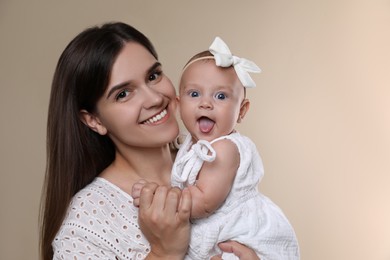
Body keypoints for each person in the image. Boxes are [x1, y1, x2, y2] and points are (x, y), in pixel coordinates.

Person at [39, 22, 258, 260]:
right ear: (93, 120)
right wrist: (164, 252)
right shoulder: (86, 222)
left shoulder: (209, 157)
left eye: (153, 76)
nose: (155, 98)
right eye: (123, 93)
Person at [135, 37, 300, 260]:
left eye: (221, 96)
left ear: (241, 111)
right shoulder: (190, 145)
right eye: (194, 94)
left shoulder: (225, 149)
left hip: (241, 234)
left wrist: (157, 196)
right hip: (221, 233)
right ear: (179, 103)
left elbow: (204, 202)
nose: (205, 104)